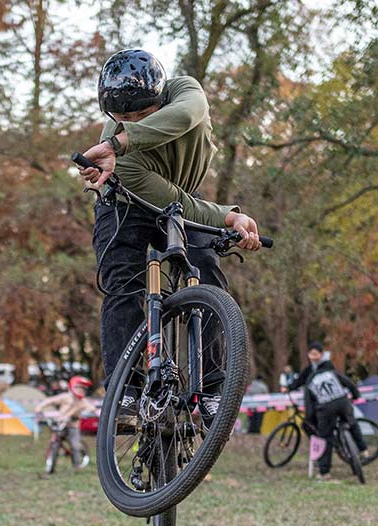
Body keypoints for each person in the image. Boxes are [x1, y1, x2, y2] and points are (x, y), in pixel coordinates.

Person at [76, 49, 262, 422]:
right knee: (122, 284)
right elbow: (174, 201)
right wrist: (227, 216)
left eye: (140, 115)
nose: (128, 124)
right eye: (121, 119)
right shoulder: (118, 151)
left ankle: (211, 387)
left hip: (180, 202)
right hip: (125, 205)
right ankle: (126, 391)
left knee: (206, 265)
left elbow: (183, 117)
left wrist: (230, 218)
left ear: (158, 98)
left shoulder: (184, 93)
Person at [289, 342, 367, 479]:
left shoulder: (309, 382)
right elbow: (348, 383)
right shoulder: (331, 372)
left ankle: (325, 472)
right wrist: (355, 396)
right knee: (352, 423)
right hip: (343, 402)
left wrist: (311, 419)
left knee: (325, 438)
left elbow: (309, 407)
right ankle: (363, 449)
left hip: (325, 408)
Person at [35, 376, 97, 469]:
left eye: (83, 388)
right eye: (79, 387)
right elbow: (50, 400)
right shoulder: (65, 397)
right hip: (60, 424)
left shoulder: (83, 401)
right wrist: (39, 407)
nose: (81, 390)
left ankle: (76, 466)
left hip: (73, 426)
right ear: (72, 387)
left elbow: (92, 408)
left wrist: (92, 412)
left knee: (75, 445)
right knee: (55, 442)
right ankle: (52, 461)